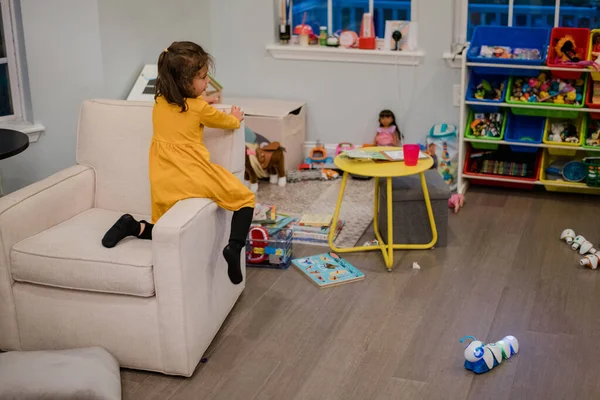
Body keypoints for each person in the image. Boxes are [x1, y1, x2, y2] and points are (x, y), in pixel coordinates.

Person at [101, 41, 255, 285]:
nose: (207, 83)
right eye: (203, 78)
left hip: (162, 175)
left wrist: (203, 103)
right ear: (185, 82)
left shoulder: (160, 101)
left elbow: (187, 112)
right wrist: (235, 117)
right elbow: (227, 122)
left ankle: (131, 226)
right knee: (245, 199)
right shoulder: (199, 108)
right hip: (192, 173)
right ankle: (234, 247)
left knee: (164, 230)